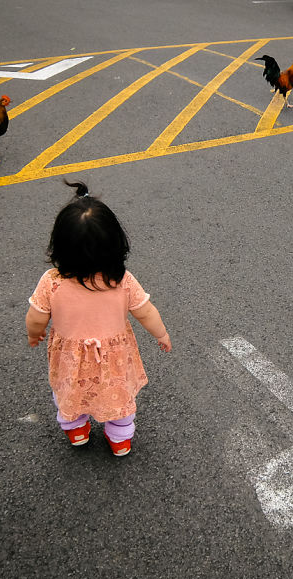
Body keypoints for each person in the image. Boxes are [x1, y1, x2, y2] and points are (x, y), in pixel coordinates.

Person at [26, 180, 171, 456]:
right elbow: (146, 311)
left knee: (69, 393)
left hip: (70, 358)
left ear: (59, 246)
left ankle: (77, 430)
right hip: (114, 359)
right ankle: (120, 438)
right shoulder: (122, 281)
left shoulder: (52, 282)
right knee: (119, 397)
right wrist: (161, 334)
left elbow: (36, 316)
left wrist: (35, 334)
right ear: (116, 244)